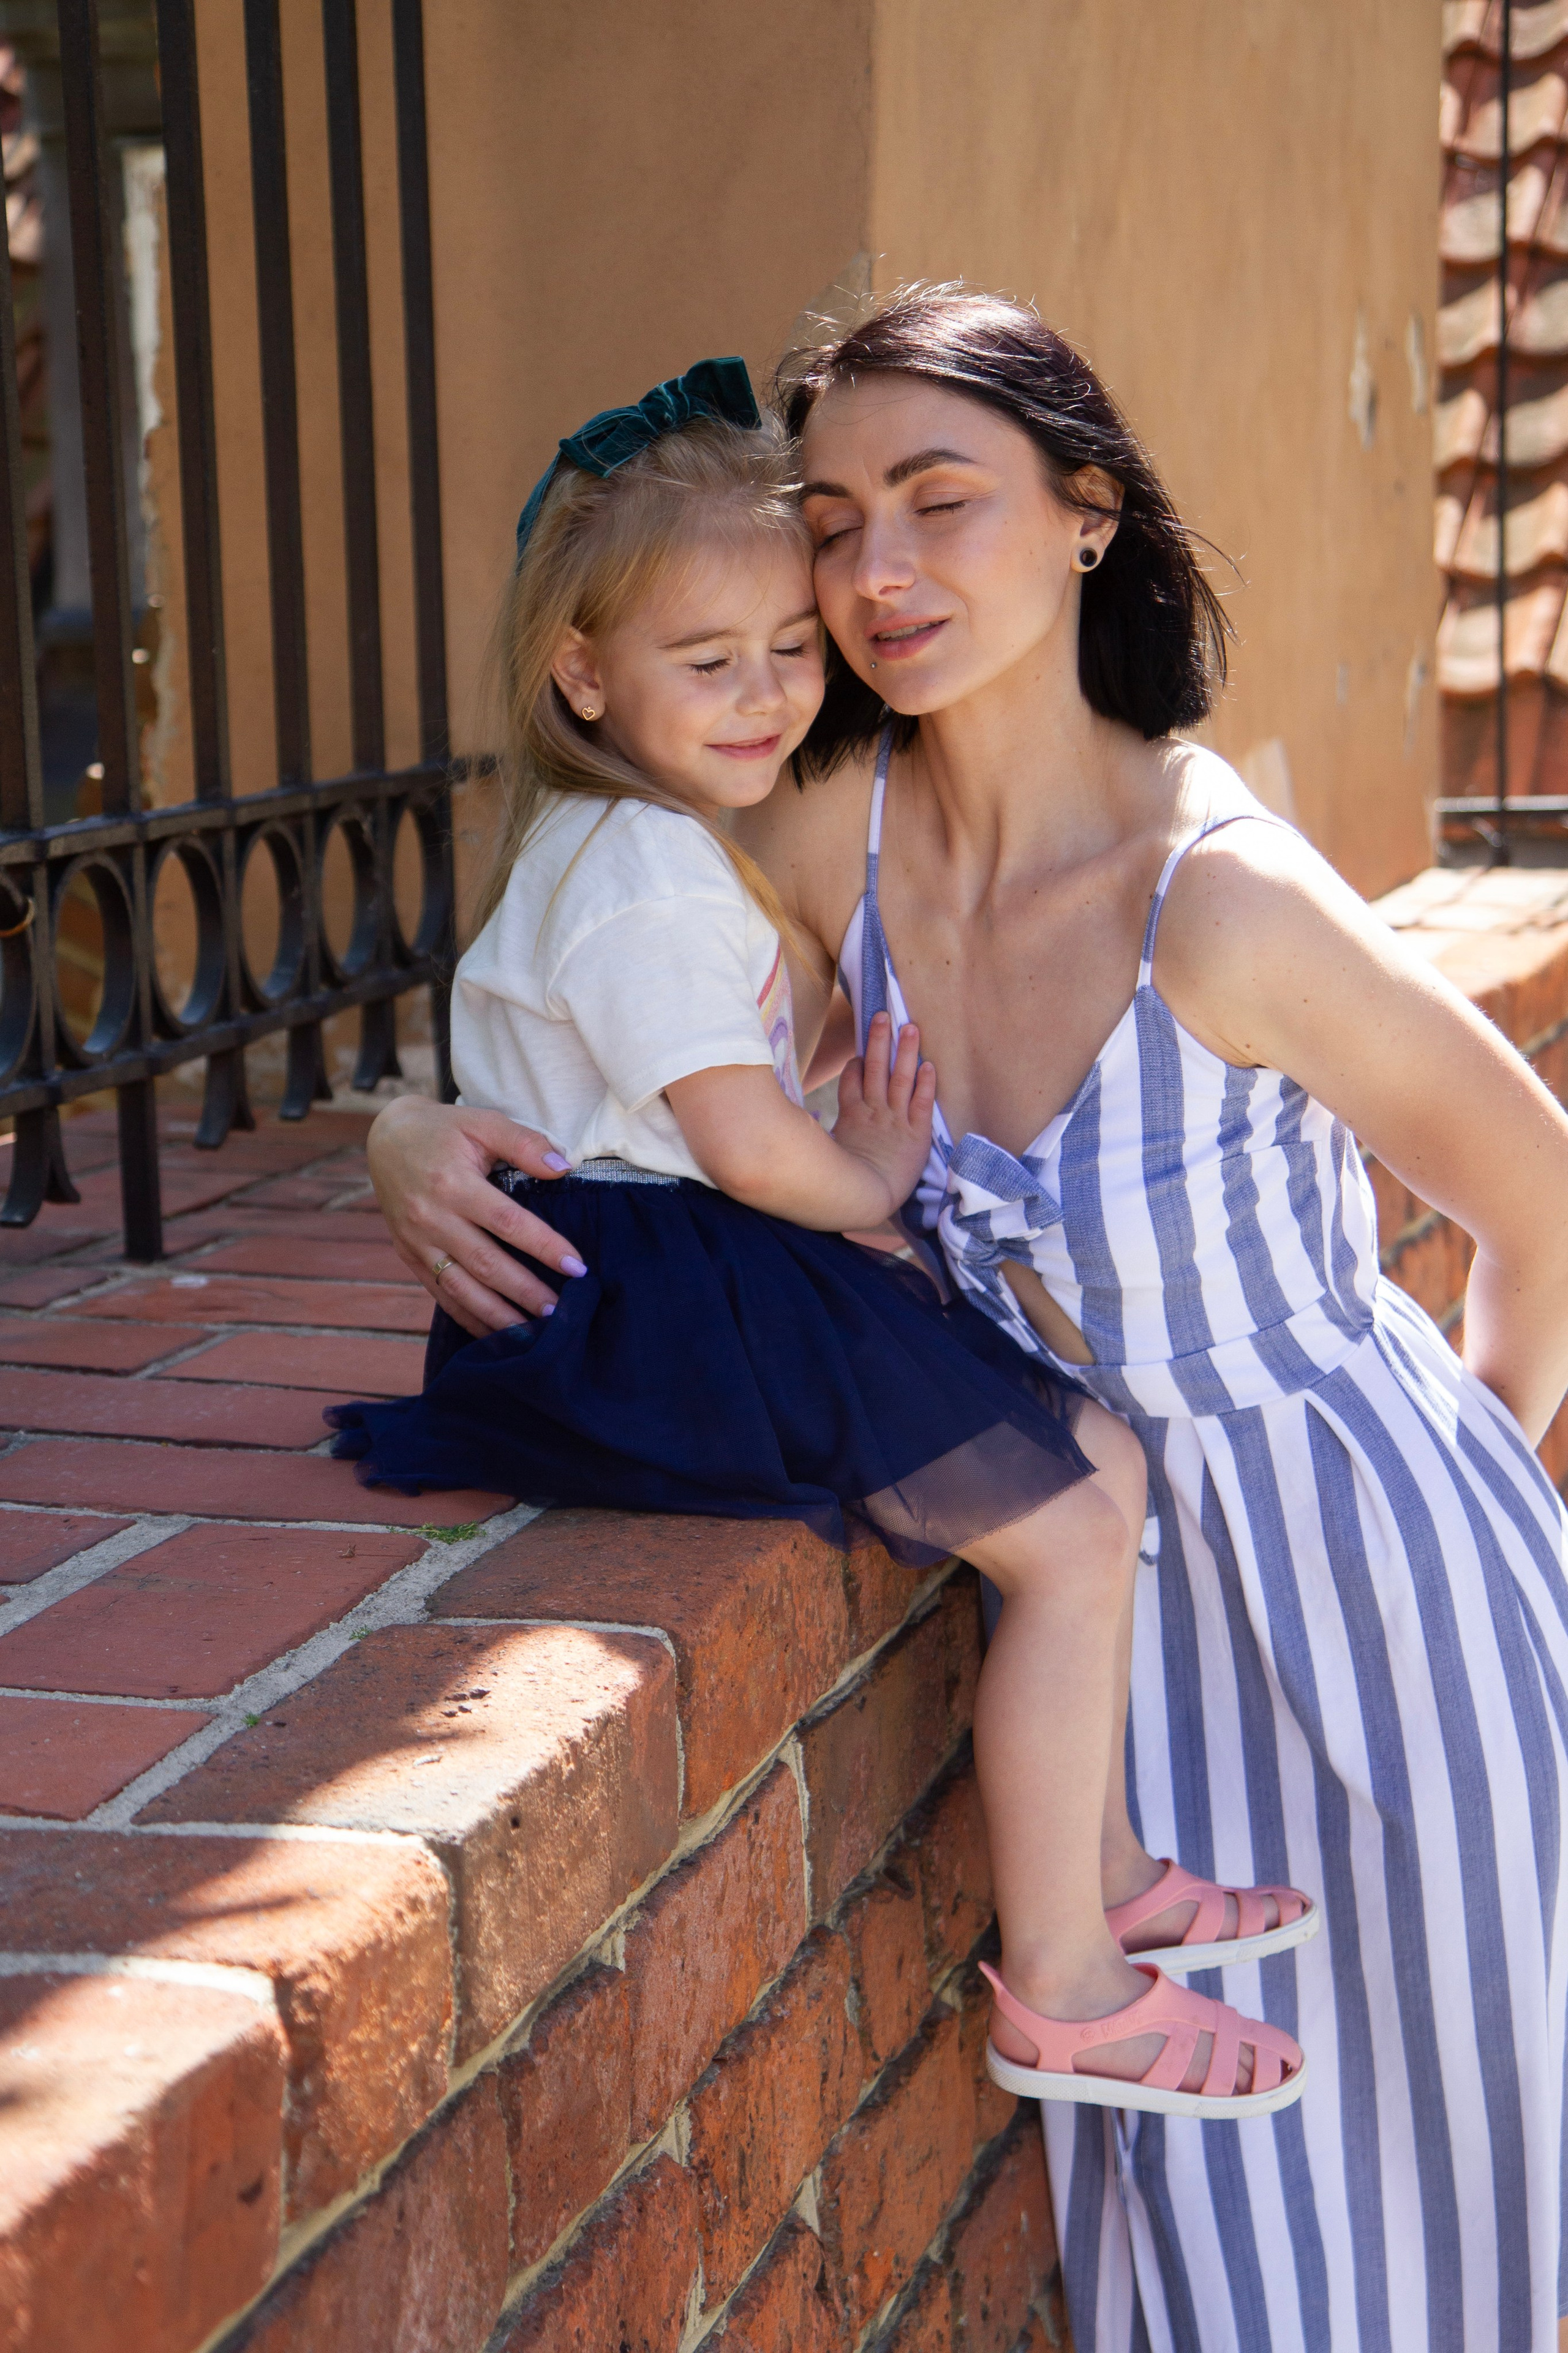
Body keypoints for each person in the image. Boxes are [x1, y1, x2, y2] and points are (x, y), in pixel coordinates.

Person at [369, 296, 1568, 2349]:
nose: (878, 573)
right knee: (1234, 2267)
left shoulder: (1230, 903)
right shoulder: (831, 836)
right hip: (1107, 1689)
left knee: (1488, 2205)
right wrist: (401, 1132)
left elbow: (1541, 1202)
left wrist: (1440, 1526)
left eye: (944, 501)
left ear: (1087, 516)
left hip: (1396, 1630)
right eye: (834, 521)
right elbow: (573, 979)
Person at [330, 358, 1308, 2123]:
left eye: (792, 646)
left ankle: (1113, 1862)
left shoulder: (658, 831)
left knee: (1088, 1463)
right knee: (1080, 1529)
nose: (771, 692)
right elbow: (739, 1142)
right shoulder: (636, 863)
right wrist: (868, 1177)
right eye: (711, 664)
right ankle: (1071, 1982)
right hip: (660, 1288)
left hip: (689, 1263)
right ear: (584, 674)